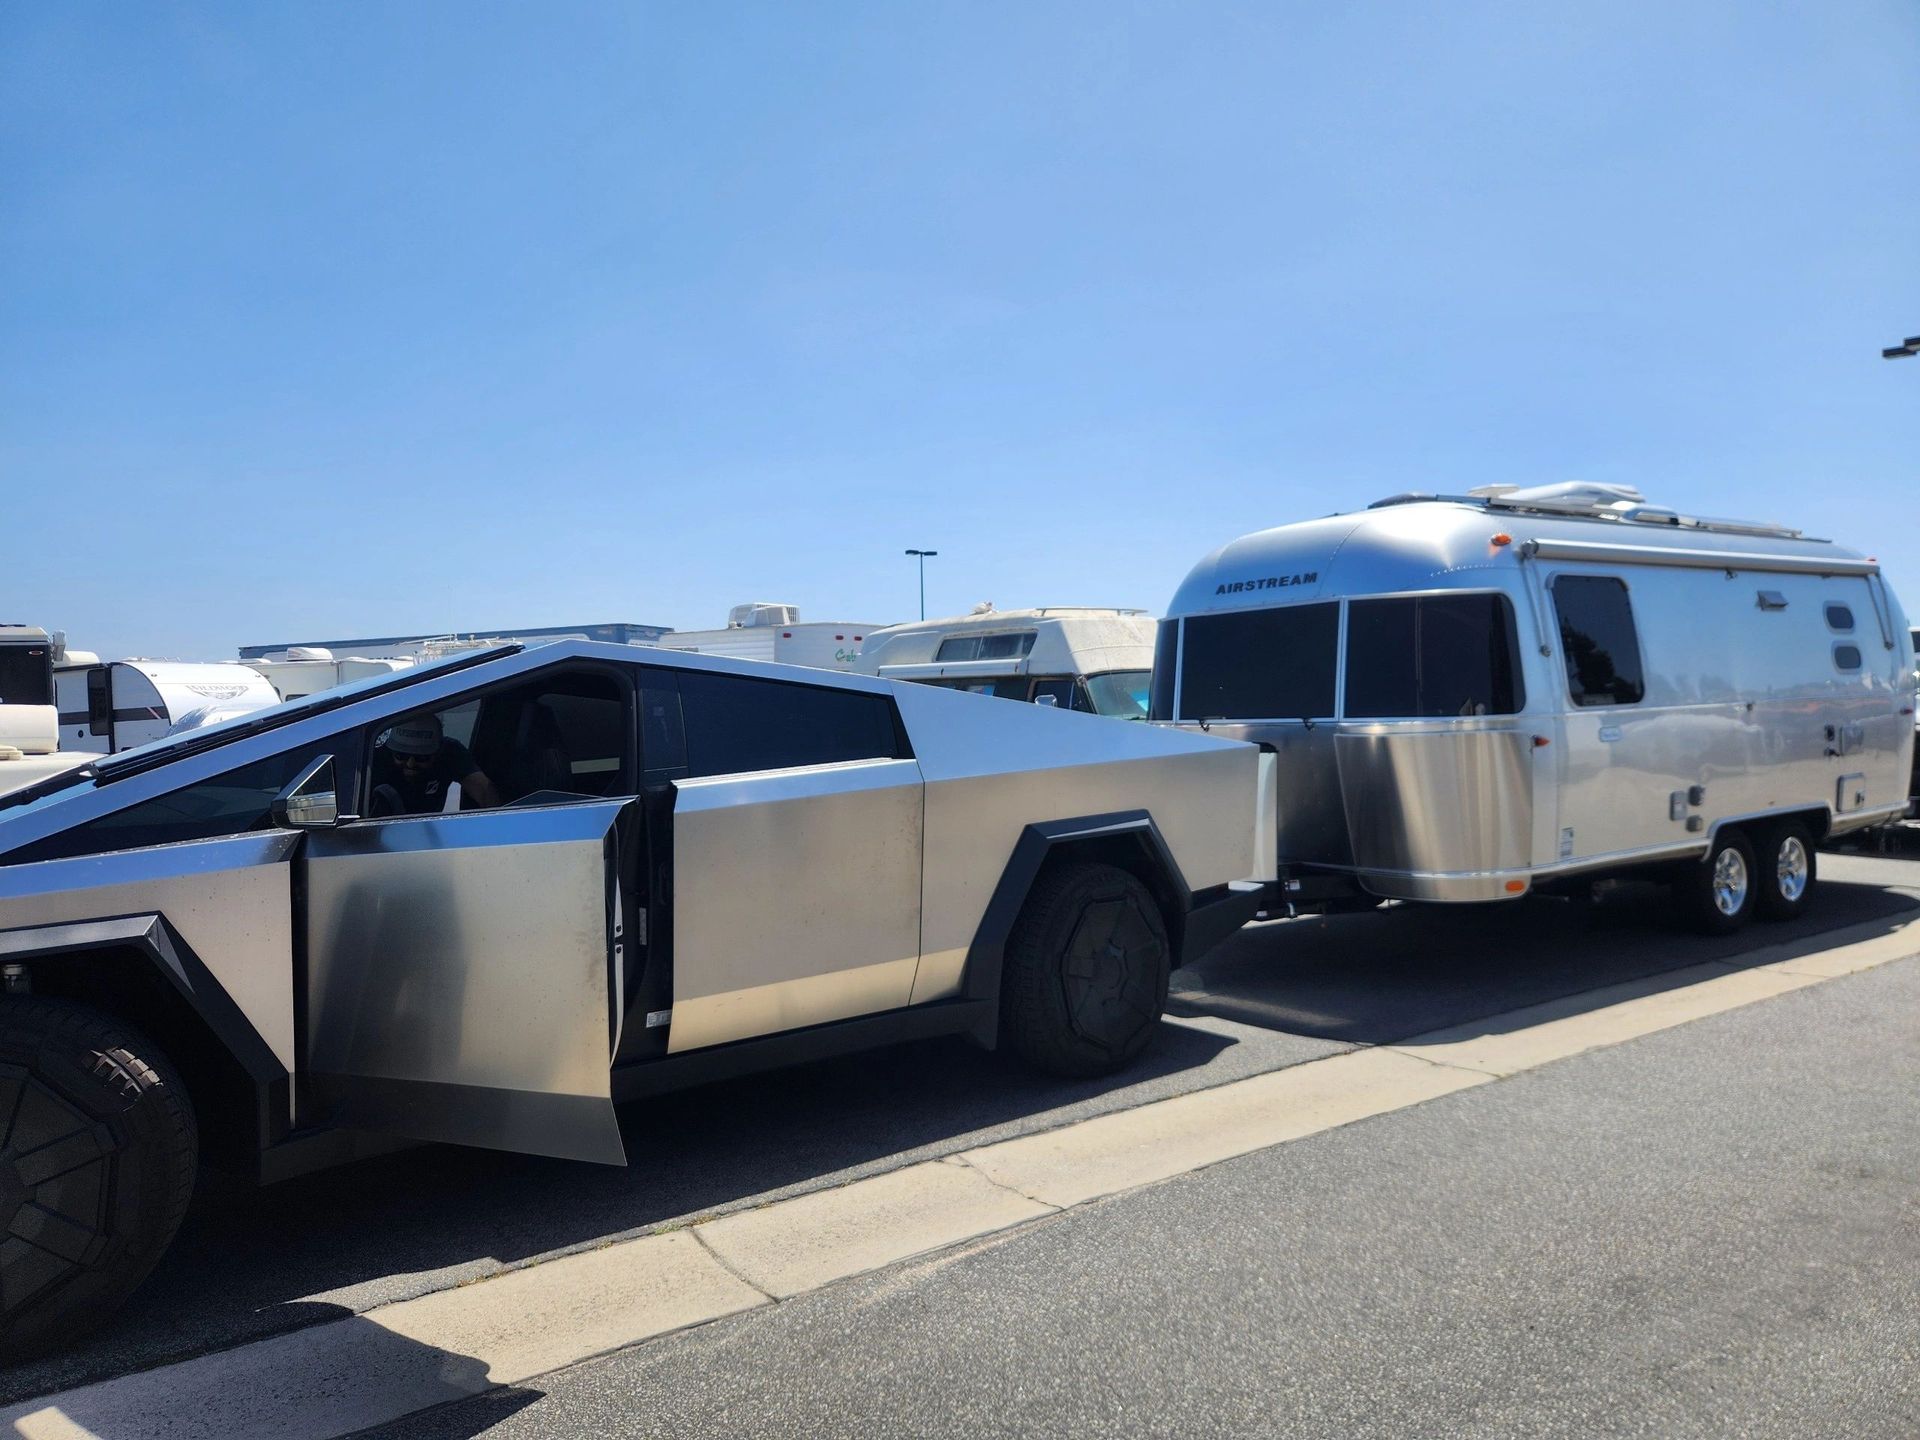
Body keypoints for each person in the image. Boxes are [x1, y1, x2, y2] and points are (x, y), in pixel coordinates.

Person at [369, 712, 501, 816]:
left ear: (438, 752)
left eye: (422, 757)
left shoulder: (450, 753)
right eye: (401, 756)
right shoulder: (374, 759)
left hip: (428, 830)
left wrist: (499, 823)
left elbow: (484, 791)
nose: (410, 763)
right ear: (390, 750)